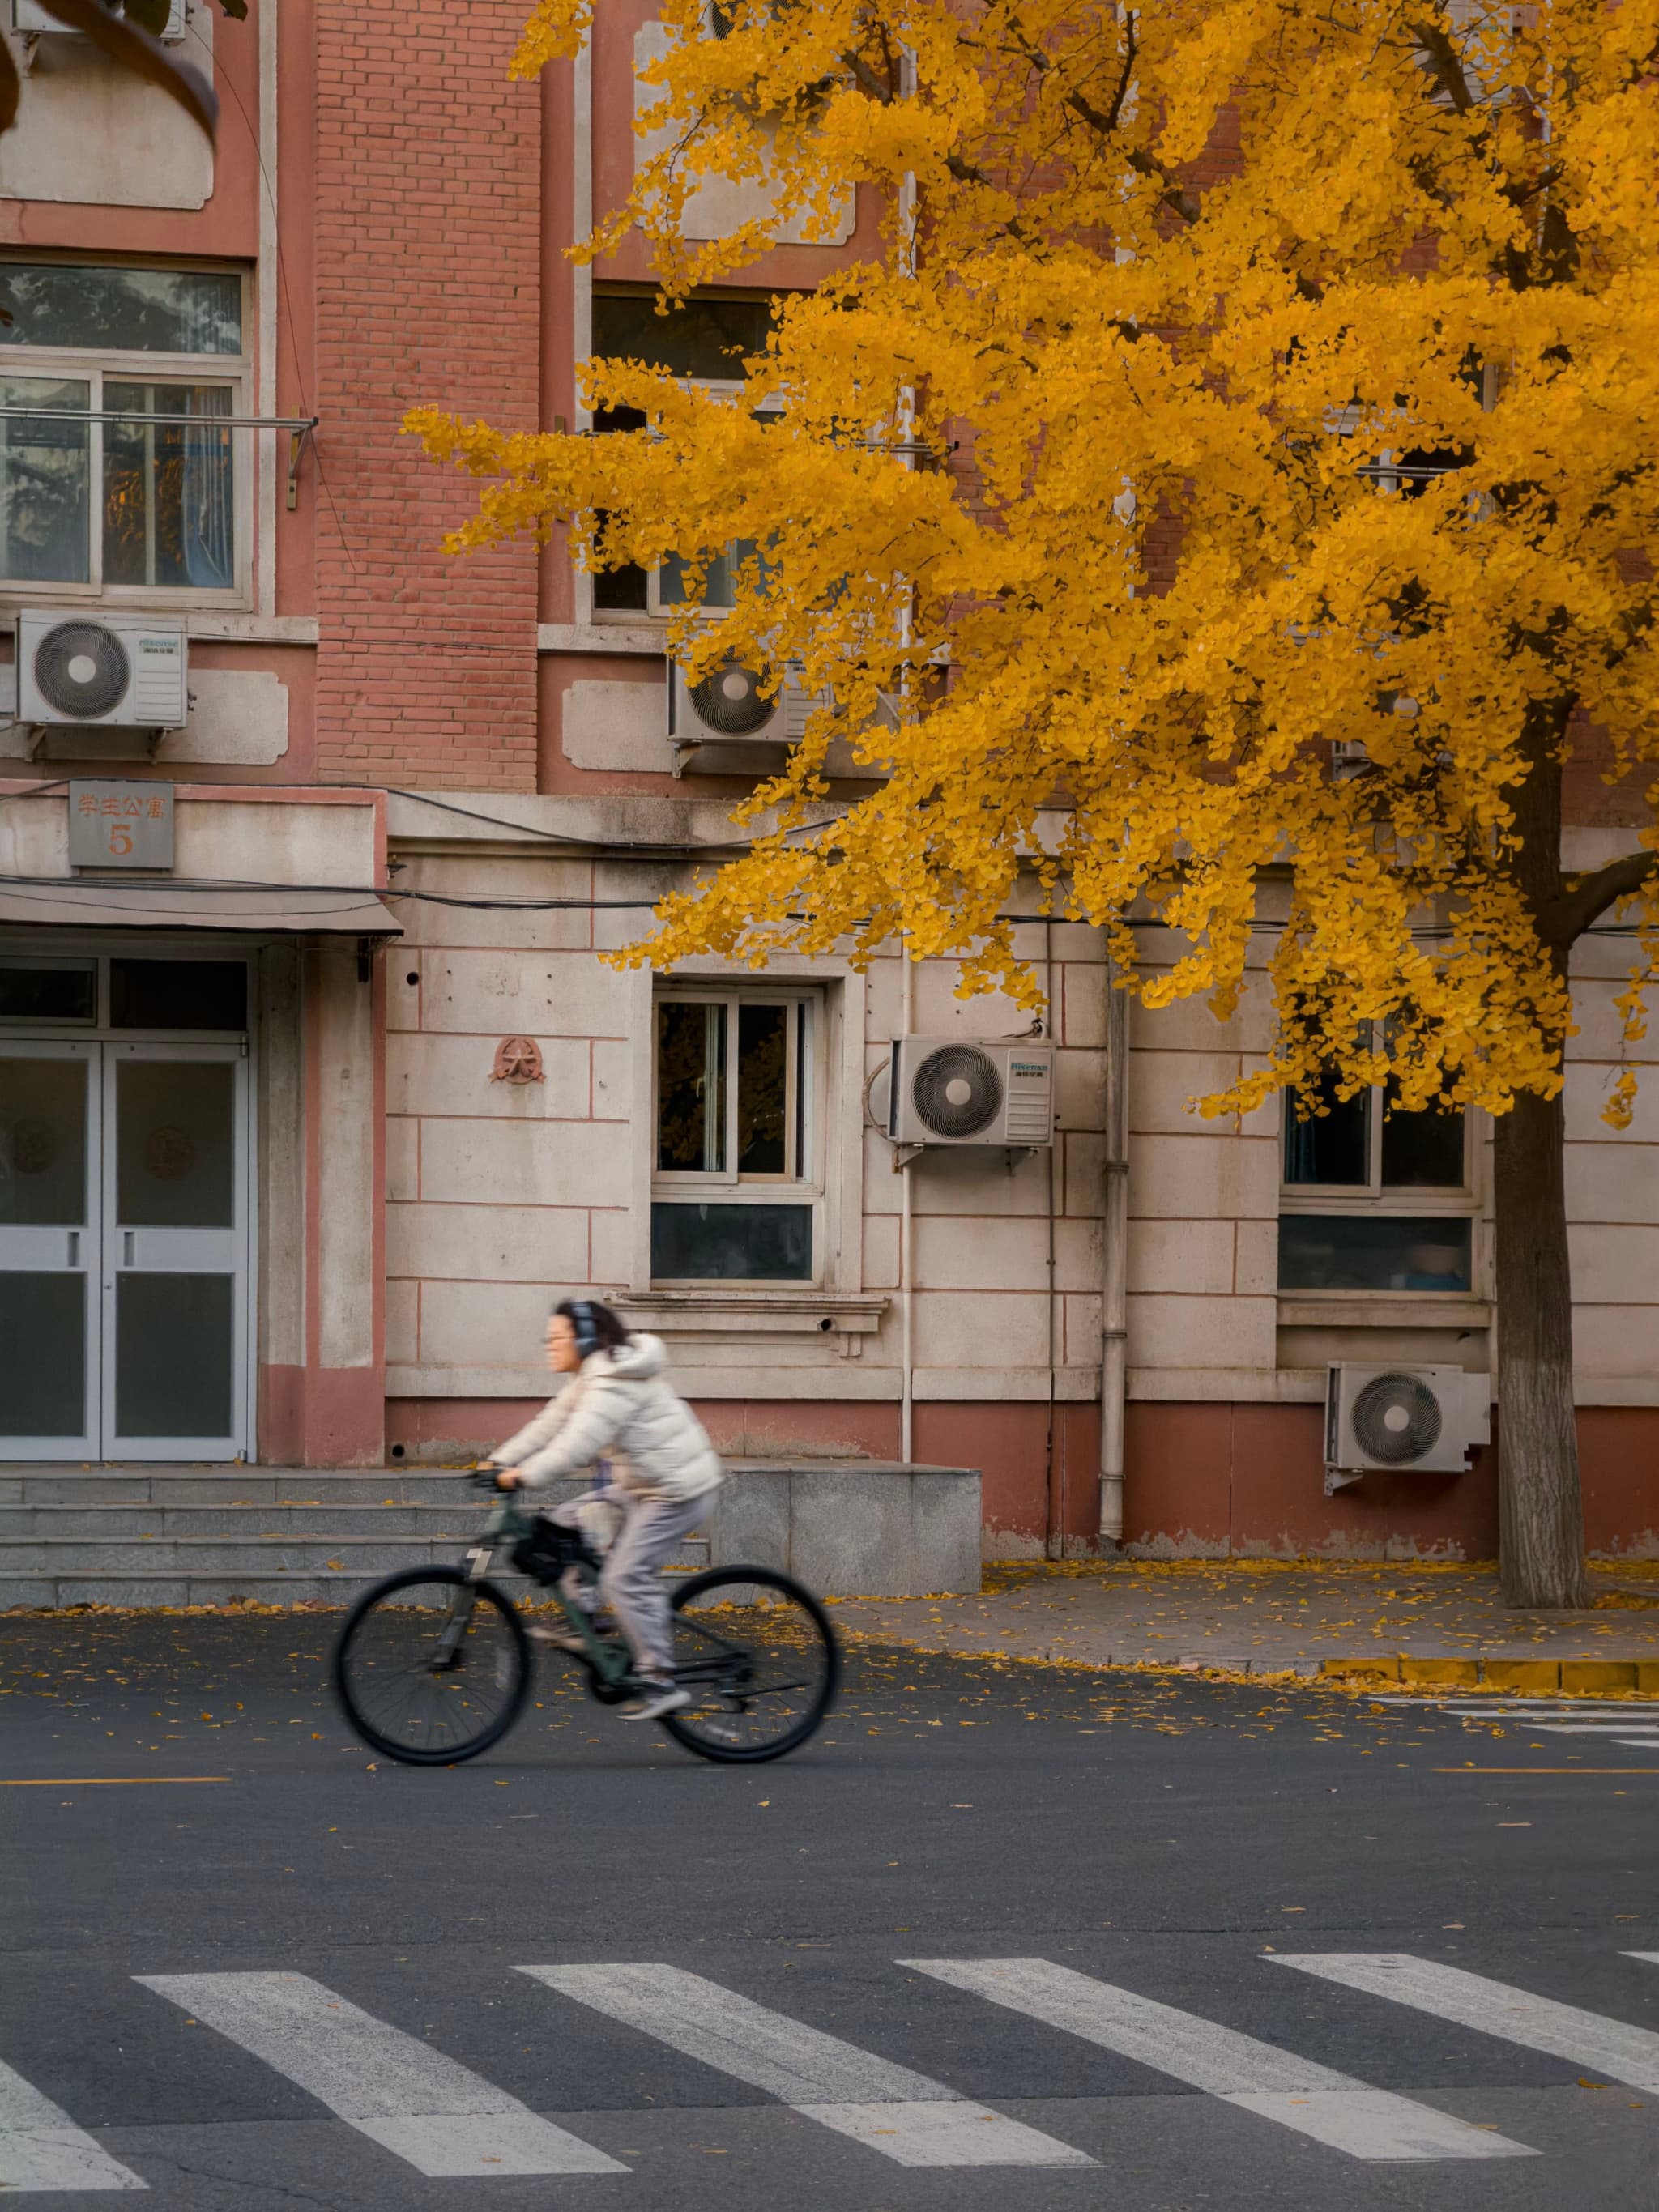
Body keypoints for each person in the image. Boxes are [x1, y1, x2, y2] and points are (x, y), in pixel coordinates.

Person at [488, 1300, 723, 1722]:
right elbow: (550, 1423)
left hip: (678, 1493)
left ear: (584, 1338)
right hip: (642, 1487)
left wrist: (522, 1475)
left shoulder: (612, 1383)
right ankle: (589, 1619)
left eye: (557, 1337)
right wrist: (497, 1460)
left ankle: (659, 1676)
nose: (549, 1345)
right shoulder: (591, 1376)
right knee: (562, 1526)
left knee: (624, 1576)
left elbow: (575, 1445)